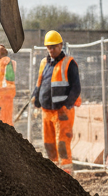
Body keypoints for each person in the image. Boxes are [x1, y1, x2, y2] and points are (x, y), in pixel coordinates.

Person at [31, 29, 81, 175]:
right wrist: (36, 98)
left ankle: (66, 172)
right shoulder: (44, 63)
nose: (51, 50)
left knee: (62, 143)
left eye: (54, 46)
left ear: (61, 45)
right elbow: (39, 82)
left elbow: (76, 88)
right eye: (49, 47)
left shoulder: (69, 63)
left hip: (62, 111)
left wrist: (66, 106)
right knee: (49, 143)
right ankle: (52, 173)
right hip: (47, 111)